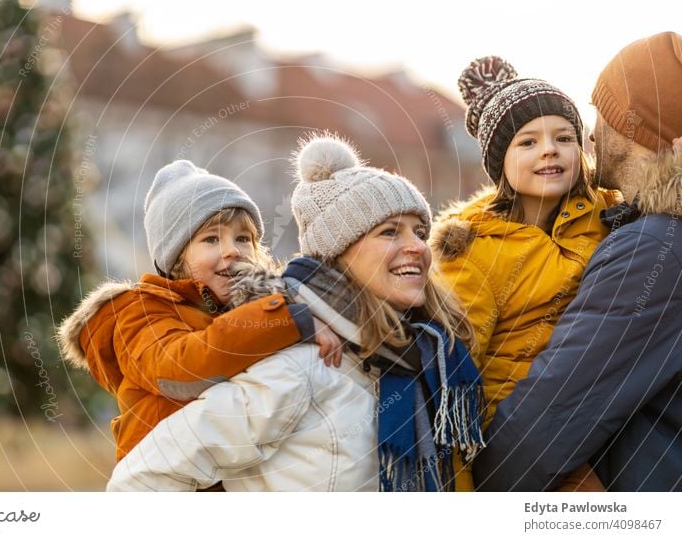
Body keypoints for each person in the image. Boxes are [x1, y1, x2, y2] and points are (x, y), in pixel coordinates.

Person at [106, 135, 485, 491]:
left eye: (420, 230)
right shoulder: (301, 364)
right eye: (390, 231)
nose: (418, 246)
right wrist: (294, 321)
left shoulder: (433, 356)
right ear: (340, 249)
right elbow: (142, 477)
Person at [473, 31, 682, 491]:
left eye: (601, 111)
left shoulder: (656, 248)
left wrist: (474, 492)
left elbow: (546, 424)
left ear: (635, 125)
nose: (592, 132)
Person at [58, 160, 341, 460]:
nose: (232, 250)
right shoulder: (140, 311)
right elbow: (181, 369)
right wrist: (287, 319)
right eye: (211, 239)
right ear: (175, 257)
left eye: (243, 238)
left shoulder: (244, 313)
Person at [432, 57, 620, 489]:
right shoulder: (473, 248)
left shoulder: (607, 211)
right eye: (528, 142)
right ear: (501, 164)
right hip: (517, 431)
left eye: (564, 137)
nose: (549, 149)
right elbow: (457, 378)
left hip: (594, 410)